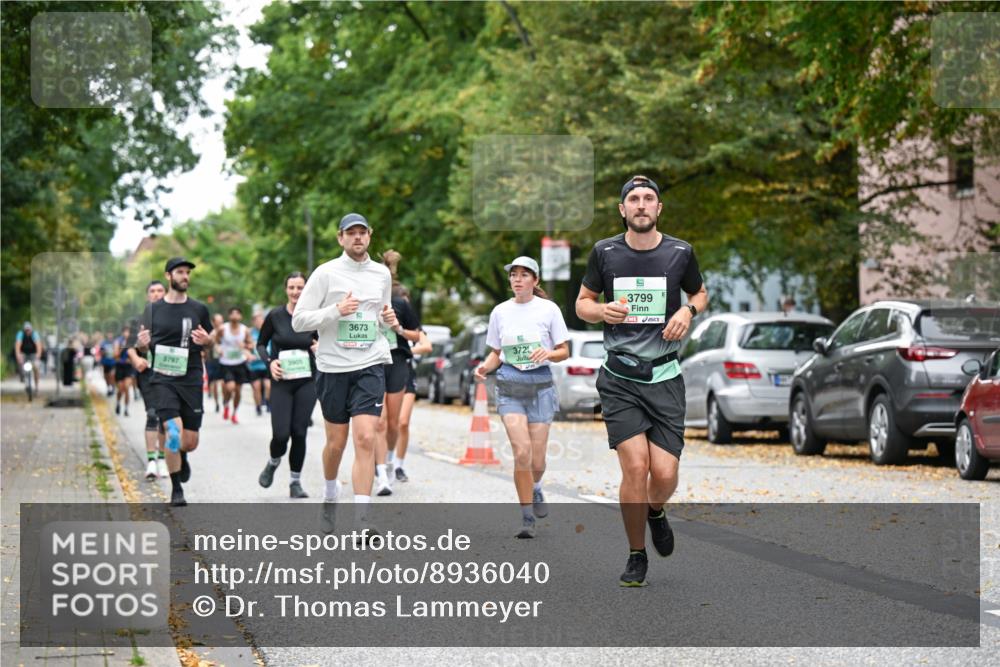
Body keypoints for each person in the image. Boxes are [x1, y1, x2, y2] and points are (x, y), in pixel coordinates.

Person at [576, 175, 708, 587]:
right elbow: (582, 304)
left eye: (649, 198)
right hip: (620, 378)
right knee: (635, 466)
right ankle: (636, 554)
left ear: (658, 209)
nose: (641, 204)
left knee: (664, 473)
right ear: (622, 209)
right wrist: (602, 313)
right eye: (633, 199)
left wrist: (688, 311)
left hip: (666, 377)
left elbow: (701, 293)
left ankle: (656, 510)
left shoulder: (680, 253)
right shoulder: (605, 252)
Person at [292, 213, 397, 535]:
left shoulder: (381, 274)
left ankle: (362, 521)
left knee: (366, 437)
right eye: (350, 233)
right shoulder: (325, 274)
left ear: (370, 236)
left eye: (362, 233)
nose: (357, 238)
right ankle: (329, 492)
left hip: (370, 363)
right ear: (340, 238)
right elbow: (299, 321)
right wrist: (335, 311)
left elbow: (380, 316)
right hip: (333, 367)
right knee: (336, 444)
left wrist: (387, 319)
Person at [475, 256, 569, 538]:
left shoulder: (549, 310)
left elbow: (564, 350)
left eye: (524, 274)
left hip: (540, 385)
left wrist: (548, 353)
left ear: (535, 281)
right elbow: (495, 352)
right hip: (510, 385)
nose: (517, 279)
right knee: (522, 452)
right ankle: (527, 517)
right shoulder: (500, 312)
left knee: (537, 461)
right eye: (513, 274)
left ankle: (537, 487)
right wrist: (484, 367)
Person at [135, 257, 214, 507]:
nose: (185, 276)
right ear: (169, 276)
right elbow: (139, 346)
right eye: (180, 272)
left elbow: (210, 341)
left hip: (190, 377)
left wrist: (207, 342)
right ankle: (176, 487)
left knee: (189, 442)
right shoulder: (153, 310)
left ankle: (182, 455)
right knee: (172, 431)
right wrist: (142, 344)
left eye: (187, 272)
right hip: (162, 378)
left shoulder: (199, 309)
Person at [257, 272, 319, 498]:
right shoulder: (275, 316)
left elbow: (322, 342)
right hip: (282, 381)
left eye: (300, 287)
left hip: (306, 382)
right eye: (292, 287)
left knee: (299, 432)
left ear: (306, 289)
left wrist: (318, 349)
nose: (296, 292)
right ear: (286, 290)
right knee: (281, 434)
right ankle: (273, 461)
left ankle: (295, 482)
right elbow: (261, 344)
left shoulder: (312, 316)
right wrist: (270, 362)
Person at [373, 251, 423, 496]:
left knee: (394, 423)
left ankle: (390, 460)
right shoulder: (366, 302)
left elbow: (417, 335)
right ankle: (381, 474)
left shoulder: (401, 305)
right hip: (373, 363)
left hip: (397, 362)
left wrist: (398, 328)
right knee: (379, 422)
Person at [128, 280, 169, 480]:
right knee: (153, 414)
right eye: (152, 291)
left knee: (166, 417)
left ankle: (163, 458)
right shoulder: (139, 319)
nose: (156, 294)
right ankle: (152, 460)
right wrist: (136, 359)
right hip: (148, 373)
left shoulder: (175, 317)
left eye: (160, 290)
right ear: (147, 296)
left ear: (166, 293)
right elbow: (129, 346)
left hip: (171, 373)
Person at [215, 307, 253, 424]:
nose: (235, 315)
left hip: (240, 363)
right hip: (226, 363)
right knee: (230, 387)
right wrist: (218, 349)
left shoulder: (244, 330)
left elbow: (251, 344)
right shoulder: (223, 329)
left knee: (238, 390)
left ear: (240, 316)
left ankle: (234, 413)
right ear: (229, 316)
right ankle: (226, 404)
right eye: (233, 313)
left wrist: (245, 346)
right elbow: (216, 342)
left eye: (237, 313)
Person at [249, 311, 272, 416]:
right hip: (254, 365)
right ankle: (258, 406)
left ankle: (267, 402)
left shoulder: (269, 331)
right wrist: (248, 353)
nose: (259, 322)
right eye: (257, 321)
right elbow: (243, 346)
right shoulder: (249, 333)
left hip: (266, 363)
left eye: (261, 320)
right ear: (253, 322)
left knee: (268, 385)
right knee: (257, 387)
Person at [14, 322, 44, 390]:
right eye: (26, 330)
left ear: (31, 329)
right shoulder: (20, 334)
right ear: (24, 330)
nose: (27, 331)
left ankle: (36, 386)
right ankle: (22, 376)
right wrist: (18, 355)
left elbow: (38, 345)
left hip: (33, 353)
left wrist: (38, 355)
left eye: (29, 330)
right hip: (23, 353)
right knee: (21, 364)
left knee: (36, 367)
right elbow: (18, 345)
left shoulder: (35, 334)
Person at [205, 313, 225, 412]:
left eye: (221, 321)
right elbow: (207, 347)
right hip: (213, 361)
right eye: (218, 322)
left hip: (225, 361)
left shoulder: (226, 332)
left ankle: (225, 401)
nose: (220, 323)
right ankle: (217, 402)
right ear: (213, 323)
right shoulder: (211, 334)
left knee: (223, 383)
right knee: (214, 383)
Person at [112, 325, 133, 416]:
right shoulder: (118, 341)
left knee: (127, 387)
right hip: (120, 367)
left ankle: (126, 409)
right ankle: (118, 403)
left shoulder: (133, 342)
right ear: (123, 332)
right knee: (120, 389)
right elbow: (115, 356)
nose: (127, 334)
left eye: (128, 332)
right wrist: (122, 347)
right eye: (126, 332)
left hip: (129, 368)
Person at [99, 331, 117, 396]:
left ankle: (113, 387)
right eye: (108, 333)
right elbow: (101, 352)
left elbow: (117, 352)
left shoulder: (115, 342)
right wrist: (104, 352)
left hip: (113, 362)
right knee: (106, 376)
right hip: (105, 362)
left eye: (111, 334)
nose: (110, 335)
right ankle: (108, 387)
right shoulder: (103, 343)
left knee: (111, 375)